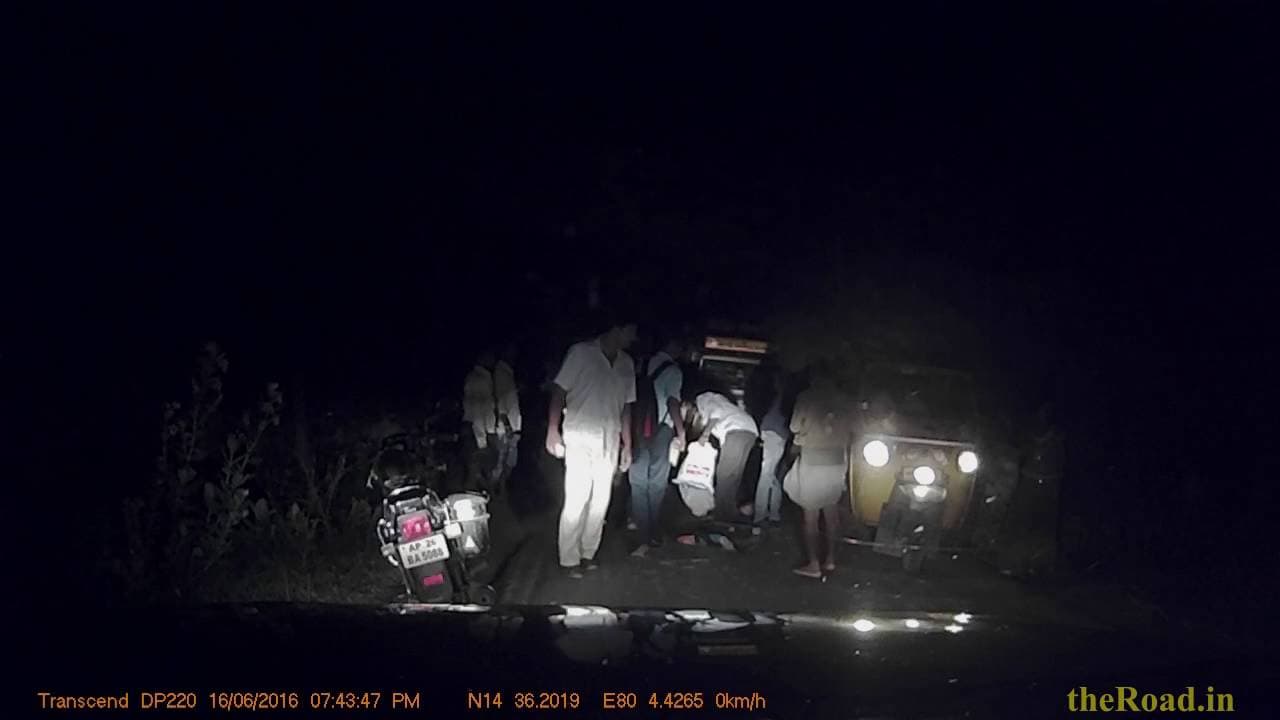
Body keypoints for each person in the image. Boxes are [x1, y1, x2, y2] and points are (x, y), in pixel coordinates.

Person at [545, 315, 638, 578]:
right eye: (631, 330)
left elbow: (627, 407)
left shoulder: (626, 363)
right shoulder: (581, 353)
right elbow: (559, 391)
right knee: (577, 498)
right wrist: (553, 429)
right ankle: (568, 559)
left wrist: (627, 445)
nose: (633, 337)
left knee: (601, 502)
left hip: (610, 437)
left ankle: (587, 552)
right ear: (616, 328)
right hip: (579, 434)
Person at [784, 367, 855, 578]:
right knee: (831, 512)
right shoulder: (845, 401)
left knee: (811, 515)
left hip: (813, 460)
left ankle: (814, 563)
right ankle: (831, 559)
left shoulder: (807, 397)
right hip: (837, 461)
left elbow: (795, 426)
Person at [627, 333, 686, 556]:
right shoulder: (673, 371)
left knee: (638, 482)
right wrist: (680, 432)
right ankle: (652, 532)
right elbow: (673, 402)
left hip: (638, 427)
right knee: (657, 484)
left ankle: (642, 533)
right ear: (672, 346)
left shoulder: (641, 365)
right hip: (661, 430)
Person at [683, 390, 758, 530]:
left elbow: (715, 413)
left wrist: (704, 435)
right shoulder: (720, 401)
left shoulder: (704, 399)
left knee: (724, 475)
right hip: (748, 431)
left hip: (736, 431)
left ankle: (721, 516)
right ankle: (729, 513)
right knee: (733, 477)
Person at [753, 371, 790, 531]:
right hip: (777, 433)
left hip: (770, 431)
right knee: (769, 474)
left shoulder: (773, 393)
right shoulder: (786, 393)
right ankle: (763, 514)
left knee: (770, 474)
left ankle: (768, 514)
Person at [462, 349, 502, 493]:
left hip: (481, 429)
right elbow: (477, 410)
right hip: (480, 431)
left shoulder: (481, 377)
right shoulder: (479, 379)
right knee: (478, 465)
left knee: (479, 465)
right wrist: (482, 440)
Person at [493, 344, 522, 489]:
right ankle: (497, 488)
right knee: (503, 461)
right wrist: (507, 426)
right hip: (507, 429)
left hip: (511, 427)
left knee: (509, 461)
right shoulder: (502, 373)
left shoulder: (507, 373)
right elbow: (501, 404)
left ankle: (500, 487)